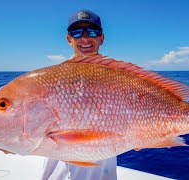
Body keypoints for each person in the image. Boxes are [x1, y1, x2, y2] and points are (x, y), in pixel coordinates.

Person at [41, 10, 117, 180]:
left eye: (92, 32)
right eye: (77, 32)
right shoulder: (53, 80)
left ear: (101, 38)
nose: (85, 38)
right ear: (69, 39)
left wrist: (145, 137)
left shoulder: (119, 79)